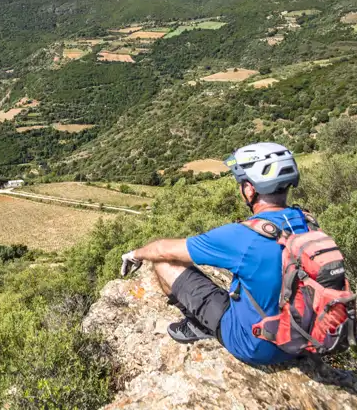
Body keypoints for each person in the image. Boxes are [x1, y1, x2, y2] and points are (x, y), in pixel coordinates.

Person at [120, 142, 307, 365]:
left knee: (163, 264)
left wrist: (135, 254)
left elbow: (162, 250)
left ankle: (196, 324)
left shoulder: (242, 236)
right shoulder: (307, 223)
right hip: (304, 340)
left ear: (249, 189)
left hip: (256, 346)